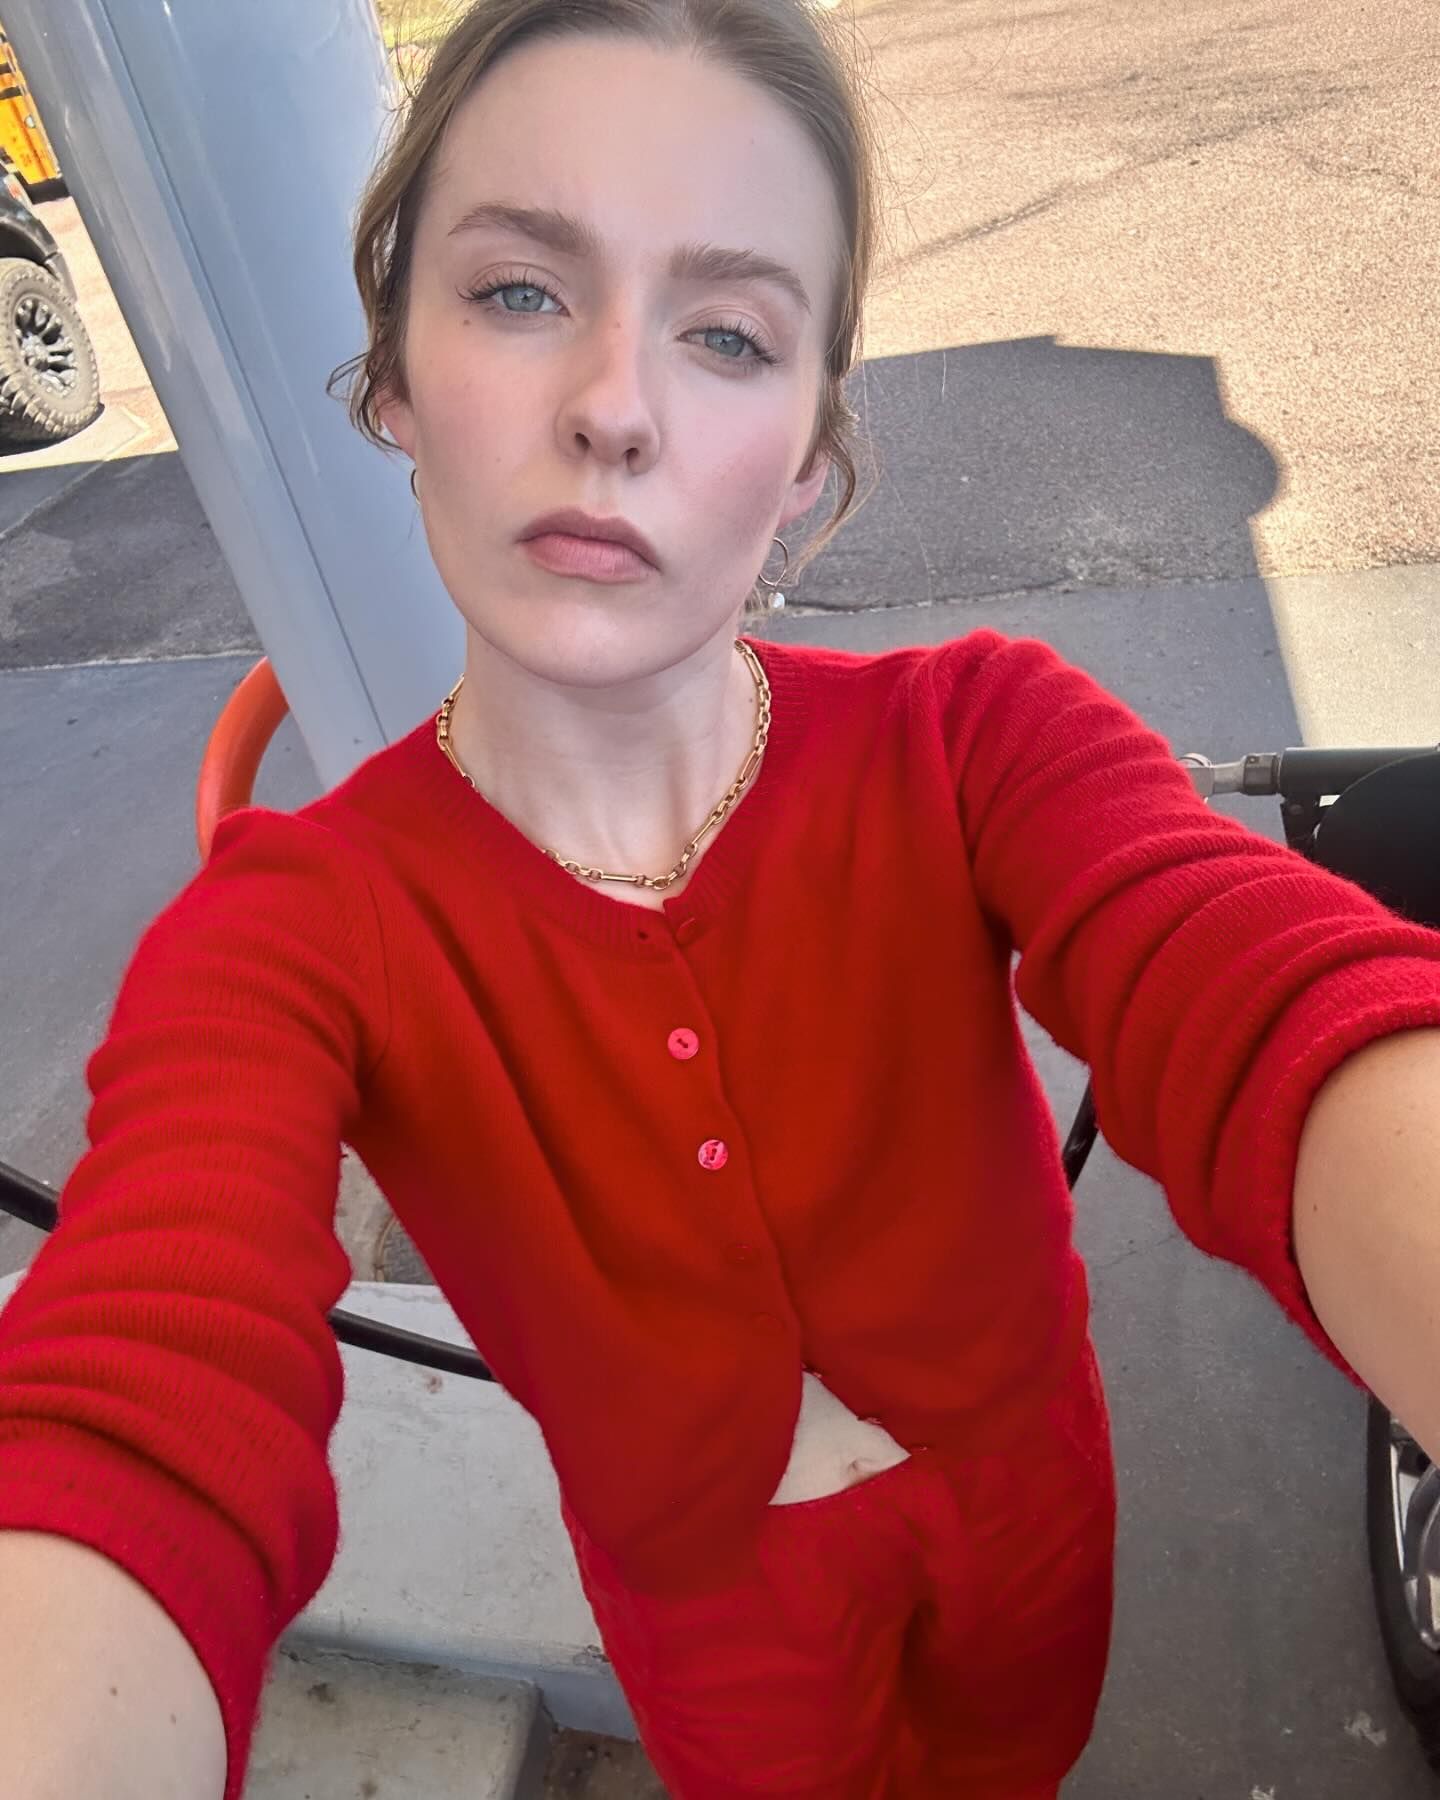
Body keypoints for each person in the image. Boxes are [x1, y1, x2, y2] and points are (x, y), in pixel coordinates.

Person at [1, 2, 1439, 1796]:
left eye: (730, 334)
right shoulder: (293, 926)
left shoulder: (977, 736)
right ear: (392, 380)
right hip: (710, 1620)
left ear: (808, 458)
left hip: (1031, 1522)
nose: (613, 408)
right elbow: (145, 1363)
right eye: (519, 291)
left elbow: (1258, 990)